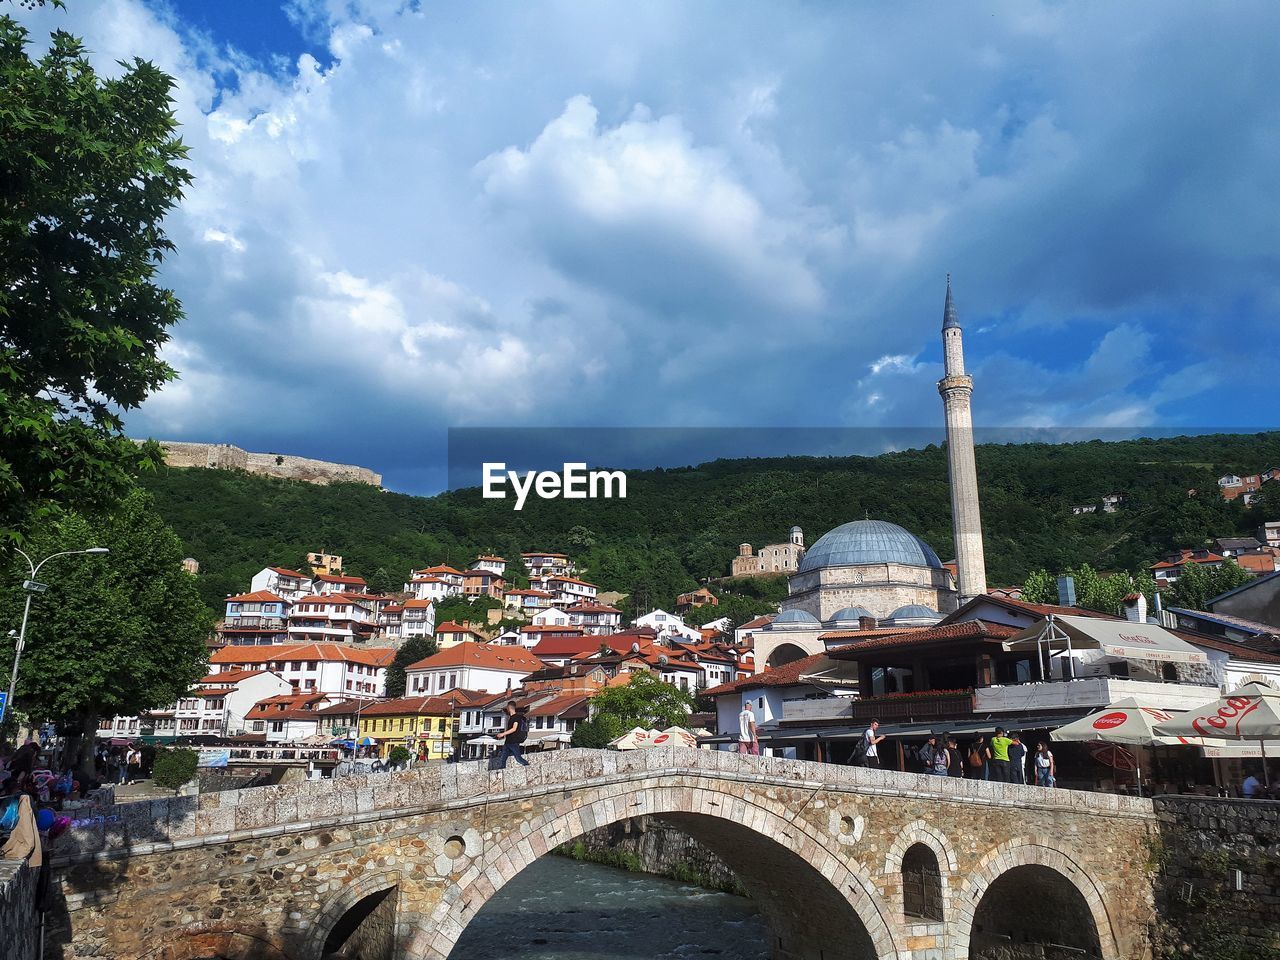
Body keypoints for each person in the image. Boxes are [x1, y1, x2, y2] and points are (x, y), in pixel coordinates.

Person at [494, 701, 530, 769]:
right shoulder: (512, 717)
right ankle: (501, 771)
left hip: (513, 741)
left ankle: (528, 766)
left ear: (509, 707)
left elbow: (514, 729)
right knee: (503, 758)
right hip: (508, 741)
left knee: (518, 758)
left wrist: (502, 734)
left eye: (507, 708)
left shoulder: (516, 717)